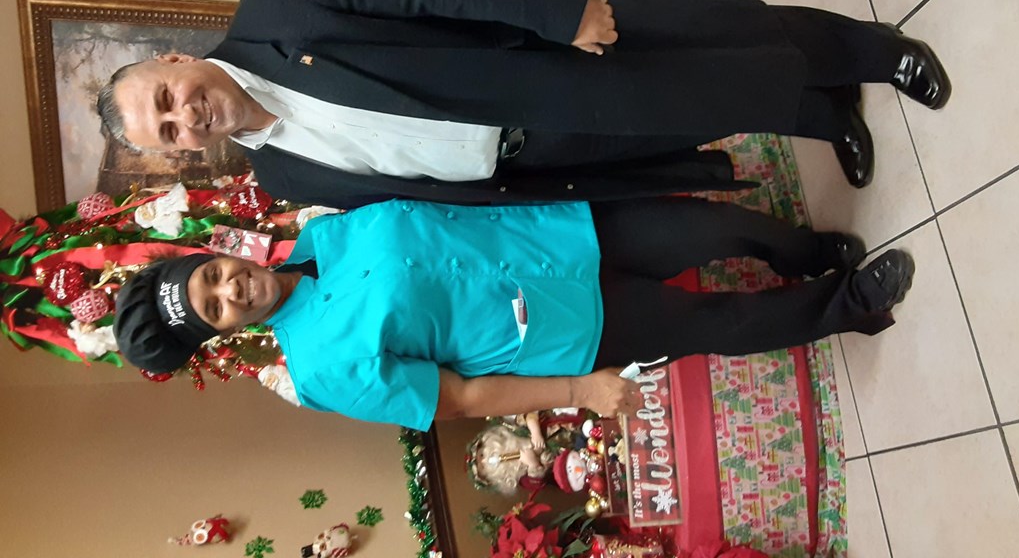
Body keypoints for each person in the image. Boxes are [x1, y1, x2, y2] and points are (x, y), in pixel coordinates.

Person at [96, 0, 951, 208]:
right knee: (697, 111)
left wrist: (555, 8)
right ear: (179, 155)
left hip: (544, 57)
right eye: (167, 134)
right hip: (533, 155)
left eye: (166, 100)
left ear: (174, 59)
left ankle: (878, 51)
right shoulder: (280, 174)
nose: (185, 119)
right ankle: (825, 112)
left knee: (723, 43)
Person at [113, 198, 913, 430]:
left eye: (214, 276)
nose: (232, 290)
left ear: (218, 256)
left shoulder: (320, 229)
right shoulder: (324, 370)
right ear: (224, 335)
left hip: (563, 231)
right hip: (560, 328)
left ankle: (807, 253)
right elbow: (456, 398)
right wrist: (579, 392)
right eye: (216, 308)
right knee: (719, 325)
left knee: (712, 227)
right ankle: (849, 304)